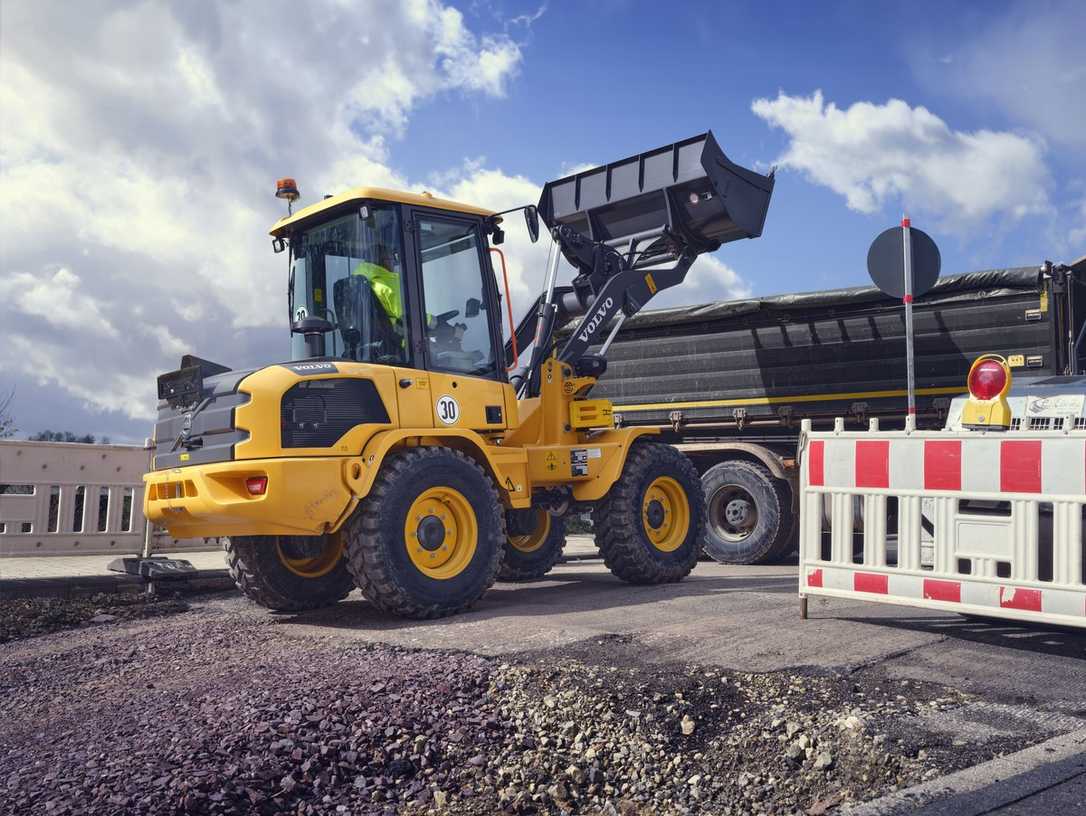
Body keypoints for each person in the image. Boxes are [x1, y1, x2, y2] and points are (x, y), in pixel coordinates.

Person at [351, 247, 403, 324]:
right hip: (395, 332)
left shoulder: (358, 282)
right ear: (381, 261)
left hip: (374, 333)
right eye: (392, 259)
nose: (394, 263)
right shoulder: (383, 286)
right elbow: (406, 315)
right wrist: (428, 320)